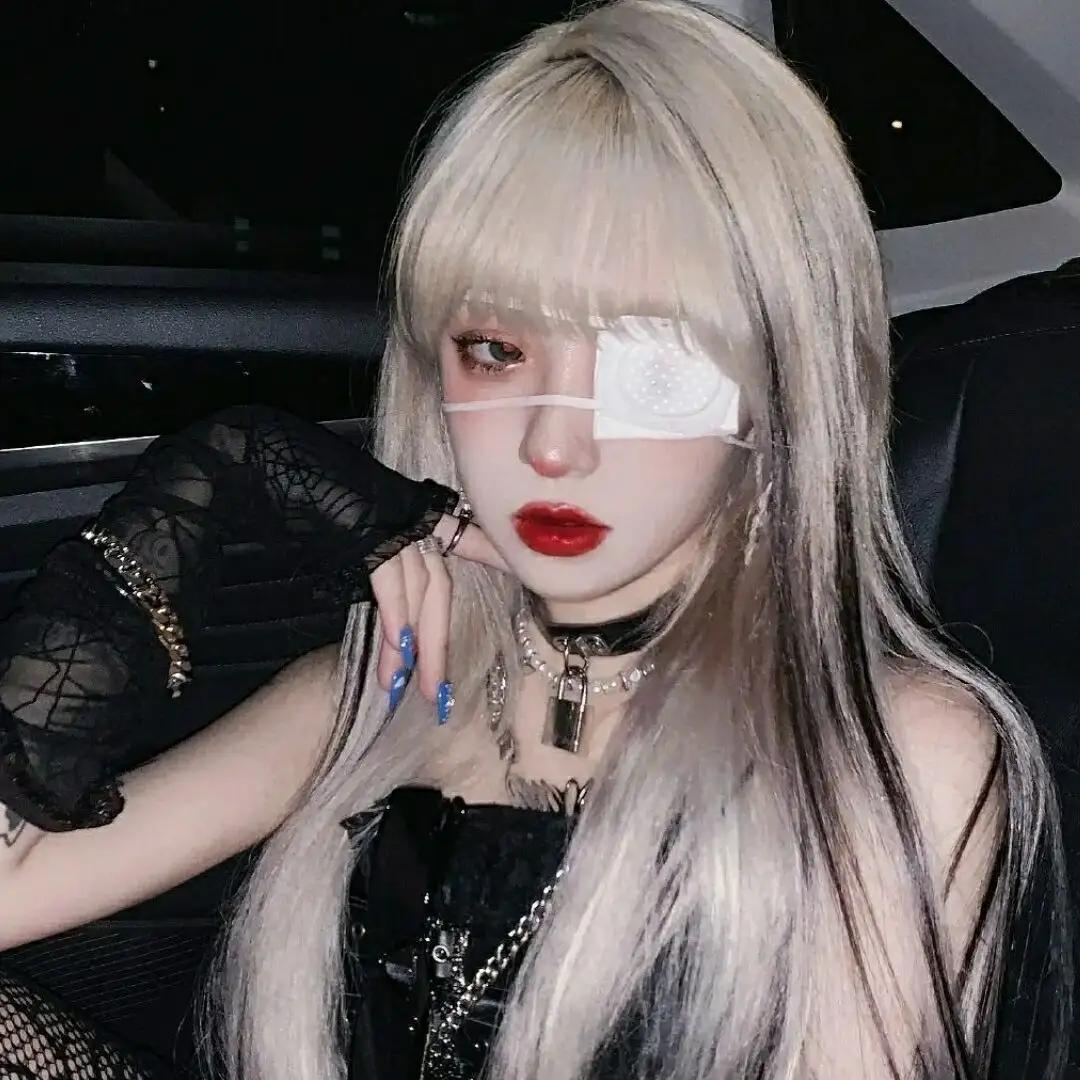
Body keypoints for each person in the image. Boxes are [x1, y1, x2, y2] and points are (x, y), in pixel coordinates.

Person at [0, 1, 1070, 1078]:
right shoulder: (381, 690)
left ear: (777, 388)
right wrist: (206, 489)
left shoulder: (889, 752)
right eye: (498, 351)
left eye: (650, 363)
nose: (553, 444)